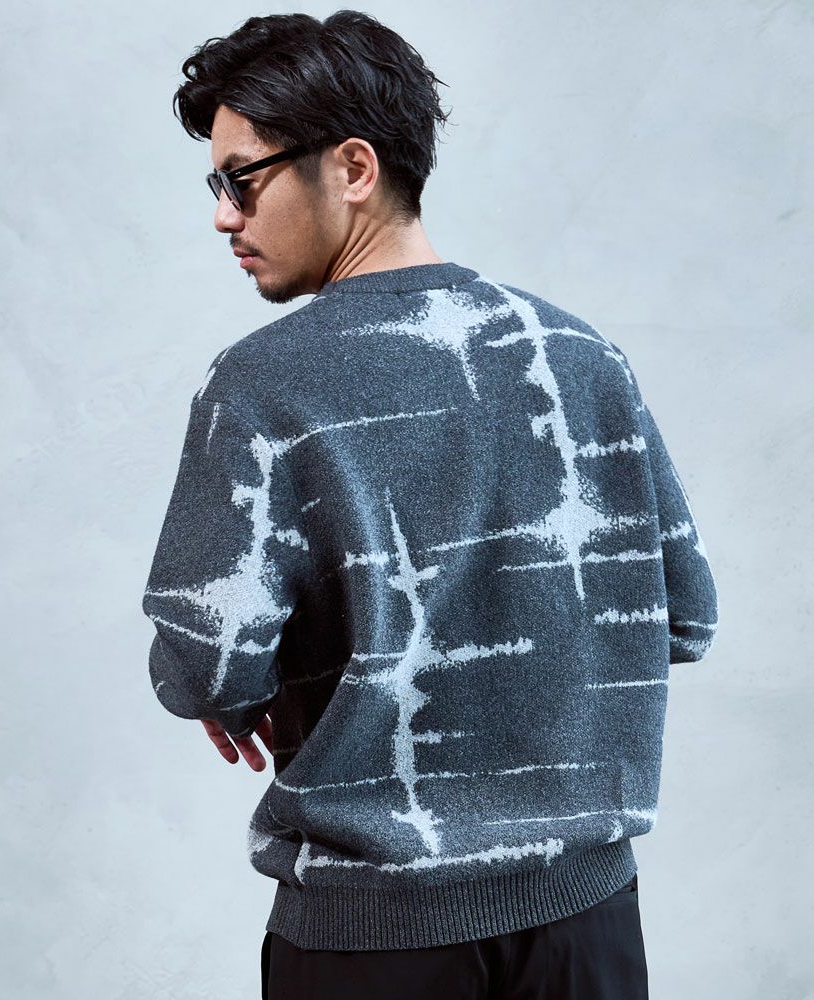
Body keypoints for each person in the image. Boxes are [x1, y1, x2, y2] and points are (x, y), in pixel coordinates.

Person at [141, 10, 719, 1000]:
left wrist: (231, 688)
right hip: (586, 929)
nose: (223, 217)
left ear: (352, 167)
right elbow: (683, 617)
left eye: (242, 179)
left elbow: (209, 664)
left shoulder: (265, 385)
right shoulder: (578, 356)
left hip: (376, 938)